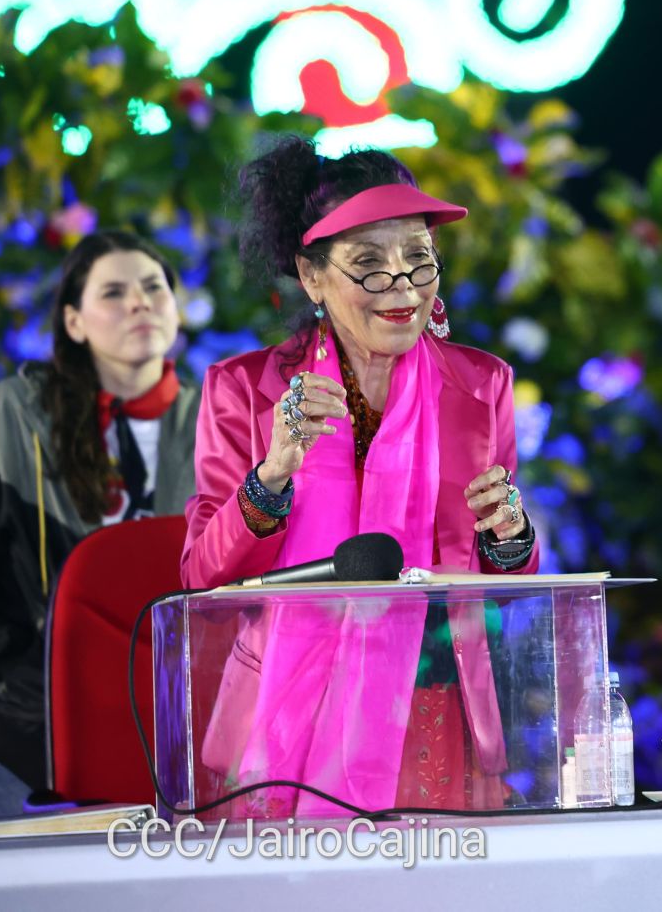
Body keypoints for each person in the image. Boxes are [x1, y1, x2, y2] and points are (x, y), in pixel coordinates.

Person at [181, 136, 539, 816]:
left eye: (418, 260)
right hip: (280, 719)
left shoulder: (481, 384)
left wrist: (510, 534)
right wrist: (273, 472)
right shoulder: (245, 390)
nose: (402, 286)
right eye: (369, 265)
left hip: (433, 710)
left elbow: (507, 580)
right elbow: (202, 576)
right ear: (312, 276)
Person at [0, 231, 197, 793]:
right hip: (37, 712)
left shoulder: (221, 420)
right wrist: (12, 674)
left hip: (187, 707)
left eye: (153, 288)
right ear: (74, 323)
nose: (139, 302)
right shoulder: (12, 416)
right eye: (114, 292)